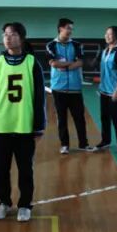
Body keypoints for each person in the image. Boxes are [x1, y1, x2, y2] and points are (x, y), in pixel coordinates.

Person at [0, 22, 46, 222]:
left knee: (25, 169)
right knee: (1, 169)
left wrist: (39, 126)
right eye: (5, 34)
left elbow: (40, 97)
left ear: (22, 38)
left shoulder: (32, 63)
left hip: (24, 125)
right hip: (1, 124)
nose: (8, 38)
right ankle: (4, 202)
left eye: (13, 34)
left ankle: (25, 205)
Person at [46, 18, 95, 154]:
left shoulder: (77, 45)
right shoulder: (51, 45)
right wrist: (71, 63)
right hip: (58, 89)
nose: (70, 31)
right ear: (60, 28)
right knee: (62, 119)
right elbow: (54, 63)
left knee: (79, 118)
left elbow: (80, 62)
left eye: (71, 29)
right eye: (68, 28)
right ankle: (65, 145)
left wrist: (65, 66)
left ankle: (83, 144)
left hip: (75, 88)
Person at [96, 26, 117, 153]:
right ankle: (106, 141)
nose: (107, 36)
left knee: (116, 118)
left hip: (115, 91)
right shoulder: (105, 51)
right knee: (104, 117)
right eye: (106, 33)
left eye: (110, 34)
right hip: (104, 90)